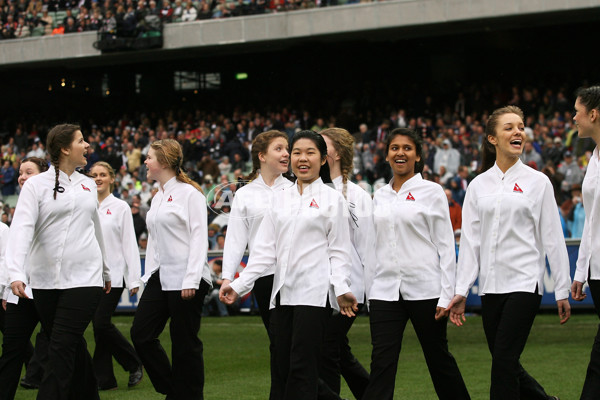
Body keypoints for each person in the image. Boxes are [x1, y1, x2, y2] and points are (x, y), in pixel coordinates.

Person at [220, 130, 357, 400]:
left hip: (314, 296)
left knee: (302, 371)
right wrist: (238, 285)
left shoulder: (333, 200)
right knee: (282, 367)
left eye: (310, 153)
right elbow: (263, 254)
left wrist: (341, 288)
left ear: (323, 159)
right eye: (296, 152)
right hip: (280, 297)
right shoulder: (279, 200)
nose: (302, 158)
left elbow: (340, 252)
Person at [448, 106, 570, 400]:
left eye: (521, 126)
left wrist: (563, 289)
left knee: (502, 362)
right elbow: (470, 242)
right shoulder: (478, 185)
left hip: (524, 284)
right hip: (490, 288)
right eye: (509, 127)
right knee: (506, 361)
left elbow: (552, 237)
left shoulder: (538, 182)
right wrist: (461, 290)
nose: (518, 132)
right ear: (492, 138)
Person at [363, 128, 470, 400]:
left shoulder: (432, 191)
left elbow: (446, 246)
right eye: (395, 148)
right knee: (381, 364)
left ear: (418, 156)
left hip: (427, 290)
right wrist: (369, 291)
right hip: (385, 291)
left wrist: (448, 294)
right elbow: (373, 246)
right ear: (387, 155)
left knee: (438, 359)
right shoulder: (380, 195)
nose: (400, 153)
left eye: (407, 148)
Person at [6, 124, 111, 400]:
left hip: (86, 279)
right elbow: (21, 229)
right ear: (65, 148)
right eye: (81, 141)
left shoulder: (88, 184)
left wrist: (106, 270)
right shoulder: (35, 186)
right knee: (71, 346)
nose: (87, 145)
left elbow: (95, 227)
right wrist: (15, 272)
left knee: (60, 348)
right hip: (44, 281)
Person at [130, 138, 211, 400]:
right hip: (161, 277)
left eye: (149, 157)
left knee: (185, 344)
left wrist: (191, 279)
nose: (145, 162)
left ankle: (190, 396)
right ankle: (174, 391)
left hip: (188, 278)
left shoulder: (191, 194)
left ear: (163, 162)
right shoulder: (158, 197)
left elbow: (200, 238)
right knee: (141, 334)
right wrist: (149, 275)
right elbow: (153, 240)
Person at [219, 130, 292, 399]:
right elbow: (235, 241)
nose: (286, 154)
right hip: (263, 279)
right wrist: (228, 277)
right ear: (261, 156)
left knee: (287, 347)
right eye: (279, 149)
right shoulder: (245, 195)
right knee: (279, 345)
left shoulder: (297, 189)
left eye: (287, 149)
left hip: (297, 277)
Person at [319, 127, 373, 399]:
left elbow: (367, 247)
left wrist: (371, 294)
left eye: (322, 145)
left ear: (337, 153)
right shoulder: (307, 191)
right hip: (316, 288)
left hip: (349, 288)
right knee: (338, 351)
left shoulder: (357, 196)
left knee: (327, 349)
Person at [89, 161, 144, 391]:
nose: (98, 178)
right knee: (98, 328)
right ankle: (105, 380)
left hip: (113, 275)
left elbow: (129, 243)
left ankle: (133, 362)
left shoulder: (120, 207)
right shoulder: (85, 205)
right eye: (94, 175)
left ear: (112, 178)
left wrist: (133, 278)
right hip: (89, 276)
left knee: (100, 323)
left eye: (103, 174)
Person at [0, 157, 50, 395]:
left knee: (66, 349)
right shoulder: (20, 206)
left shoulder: (53, 203)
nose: (21, 177)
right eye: (20, 173)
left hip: (50, 287)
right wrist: (6, 287)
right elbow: (11, 252)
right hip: (20, 290)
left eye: (28, 172)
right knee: (11, 349)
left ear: (44, 175)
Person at [571, 85, 600, 399]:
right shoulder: (594, 157)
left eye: (577, 111)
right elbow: (592, 221)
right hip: (597, 271)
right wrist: (581, 272)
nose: (573, 118)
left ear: (593, 114)